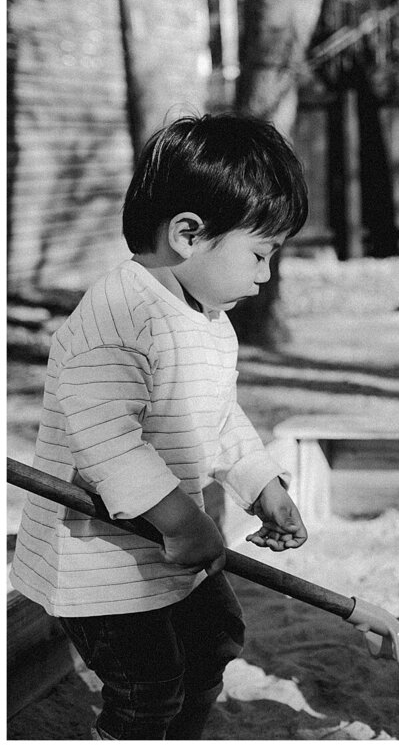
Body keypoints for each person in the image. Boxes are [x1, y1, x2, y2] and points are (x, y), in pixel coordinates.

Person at [9, 113, 312, 740]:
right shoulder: (116, 319)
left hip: (174, 542)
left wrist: (262, 485)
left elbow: (219, 417)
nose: (265, 275)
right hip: (102, 561)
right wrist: (182, 520)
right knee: (147, 687)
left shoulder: (206, 318)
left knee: (214, 644)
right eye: (260, 253)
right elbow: (108, 443)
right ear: (188, 234)